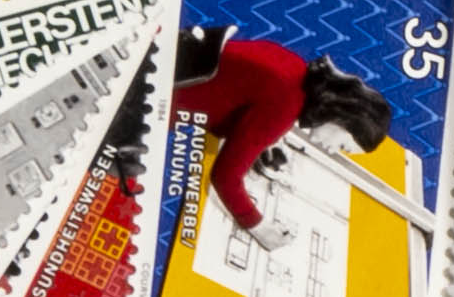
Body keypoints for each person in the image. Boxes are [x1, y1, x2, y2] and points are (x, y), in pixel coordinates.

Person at [168, 25, 397, 233]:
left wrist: (264, 139)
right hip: (163, 99)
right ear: (344, 118)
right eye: (343, 146)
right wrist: (257, 226)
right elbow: (224, 178)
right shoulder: (285, 107)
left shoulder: (296, 68)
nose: (332, 150)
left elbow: (246, 91)